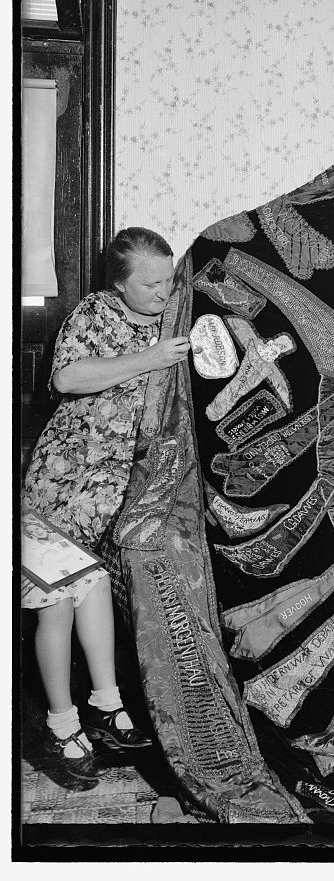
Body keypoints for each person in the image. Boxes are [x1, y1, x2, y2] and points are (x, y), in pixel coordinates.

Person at [22, 227, 191, 783]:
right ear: (119, 285)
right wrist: (149, 358)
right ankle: (60, 723)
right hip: (64, 483)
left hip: (113, 493)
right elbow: (66, 377)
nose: (164, 291)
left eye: (169, 278)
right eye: (151, 284)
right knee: (56, 605)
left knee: (90, 592)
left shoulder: (173, 315)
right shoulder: (96, 313)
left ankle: (105, 703)